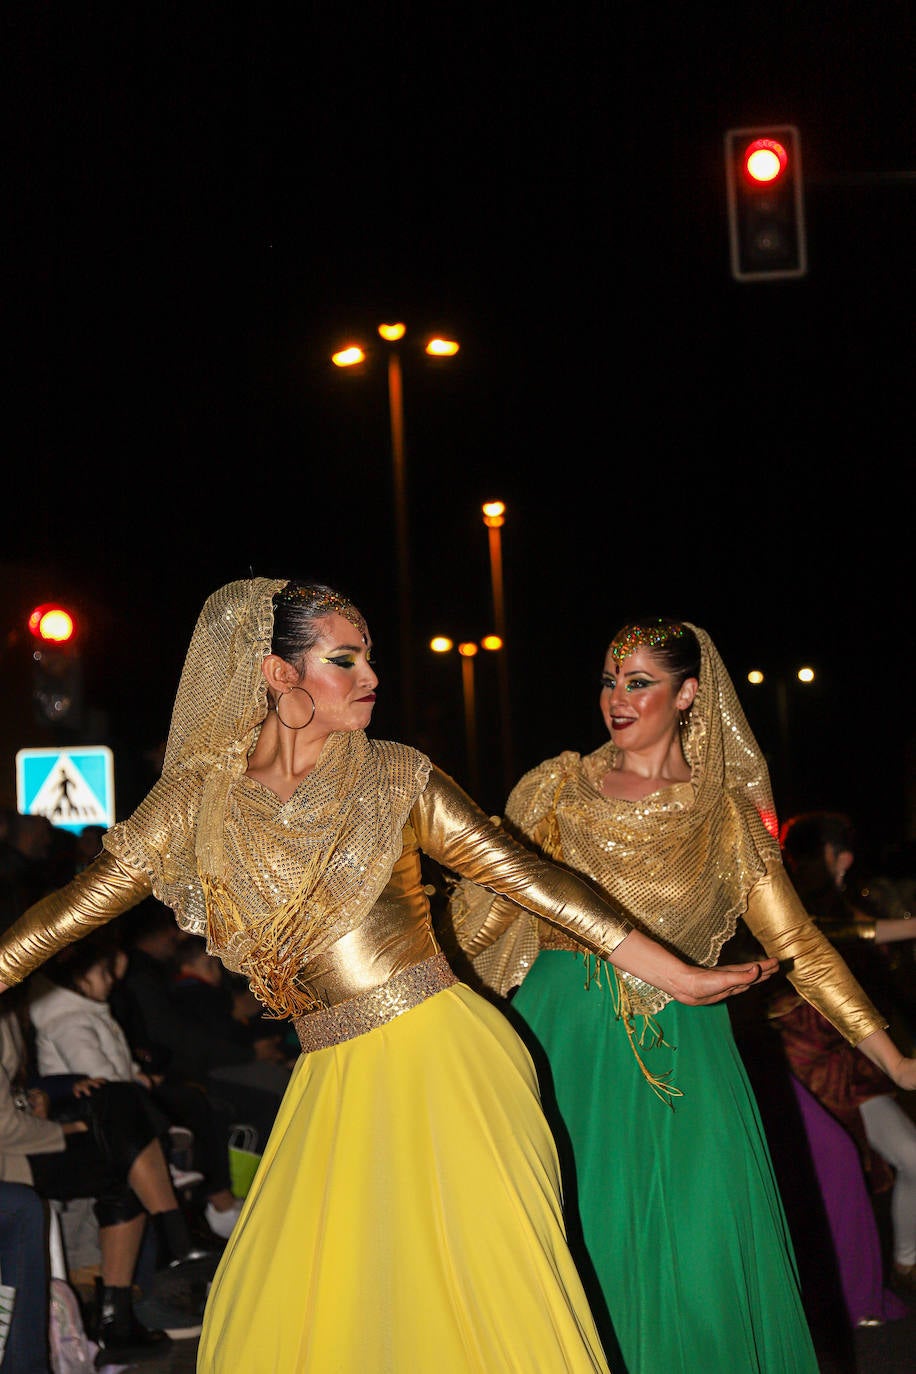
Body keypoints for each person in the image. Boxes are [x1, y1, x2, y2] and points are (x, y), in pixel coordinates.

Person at [0, 578, 779, 1374]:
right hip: (332, 1073)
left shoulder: (396, 777)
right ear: (276, 673)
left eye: (369, 659)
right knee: (299, 1302)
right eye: (346, 660)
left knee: (478, 1298)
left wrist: (672, 974)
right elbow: (68, 912)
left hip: (448, 1058)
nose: (372, 678)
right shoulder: (197, 799)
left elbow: (527, 876)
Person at [445, 616, 916, 1374]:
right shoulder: (555, 789)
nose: (617, 699)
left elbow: (800, 947)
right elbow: (482, 913)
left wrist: (893, 1060)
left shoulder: (724, 816)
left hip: (689, 1052)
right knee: (579, 1238)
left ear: (688, 693)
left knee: (701, 1251)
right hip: (567, 1040)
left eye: (639, 682)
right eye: (609, 681)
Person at [0, 987, 212, 1365]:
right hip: (11, 1155)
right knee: (122, 1142)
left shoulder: (13, 1005)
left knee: (118, 1109)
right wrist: (67, 1130)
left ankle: (124, 1314)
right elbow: (4, 1126)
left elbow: (16, 1090)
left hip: (24, 1134)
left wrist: (56, 1089)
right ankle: (173, 1237)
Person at [772, 810, 916, 1299]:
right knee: (818, 1185)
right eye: (835, 851)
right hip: (796, 1071)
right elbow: (839, 934)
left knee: (912, 1155)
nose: (846, 860)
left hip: (853, 1064)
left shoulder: (841, 900)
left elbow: (861, 932)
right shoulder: (784, 904)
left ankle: (904, 1264)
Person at [27, 928, 244, 1242]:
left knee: (190, 1098)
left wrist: (136, 1073)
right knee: (170, 1101)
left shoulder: (90, 1013)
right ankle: (183, 1177)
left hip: (114, 1095)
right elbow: (94, 1072)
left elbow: (117, 1060)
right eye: (103, 973)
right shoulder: (68, 1021)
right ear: (79, 979)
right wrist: (134, 1080)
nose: (112, 980)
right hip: (89, 1106)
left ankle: (193, 1186)